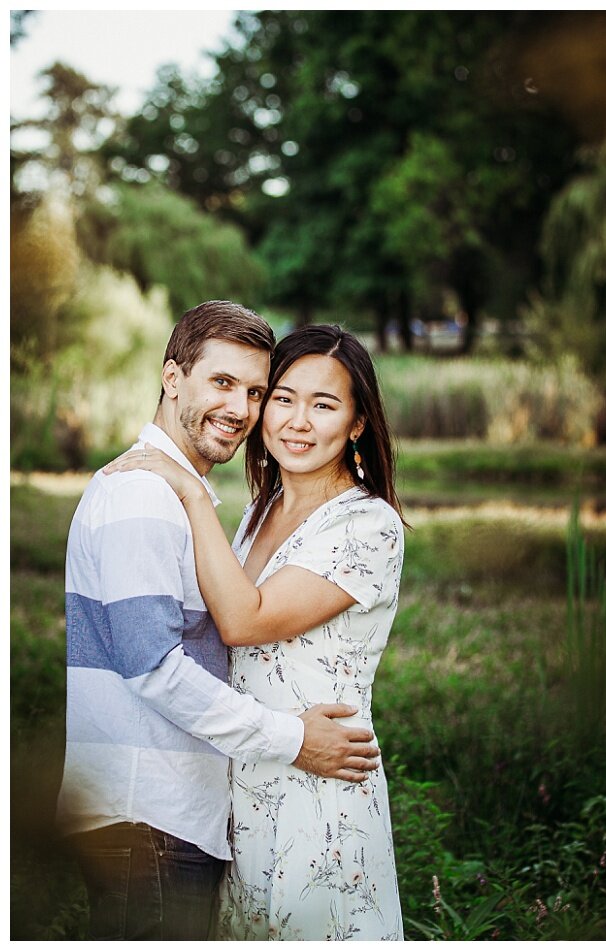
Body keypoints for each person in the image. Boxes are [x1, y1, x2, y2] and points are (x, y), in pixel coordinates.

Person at [58, 302, 381, 940]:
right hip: (146, 812)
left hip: (178, 819)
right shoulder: (144, 494)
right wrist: (293, 738)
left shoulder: (197, 500)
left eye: (256, 390)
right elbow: (153, 669)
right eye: (223, 382)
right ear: (172, 378)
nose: (241, 408)